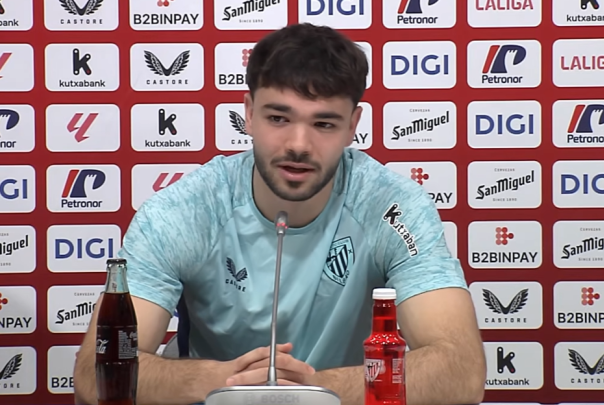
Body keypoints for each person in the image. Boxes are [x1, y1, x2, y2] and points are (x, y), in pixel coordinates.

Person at [73, 22, 486, 405]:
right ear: (249, 113)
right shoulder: (185, 210)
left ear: (352, 125)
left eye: (324, 124)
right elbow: (97, 373)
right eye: (278, 118)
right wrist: (227, 382)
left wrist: (311, 391)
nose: (299, 144)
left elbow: (461, 370)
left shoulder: (392, 206)